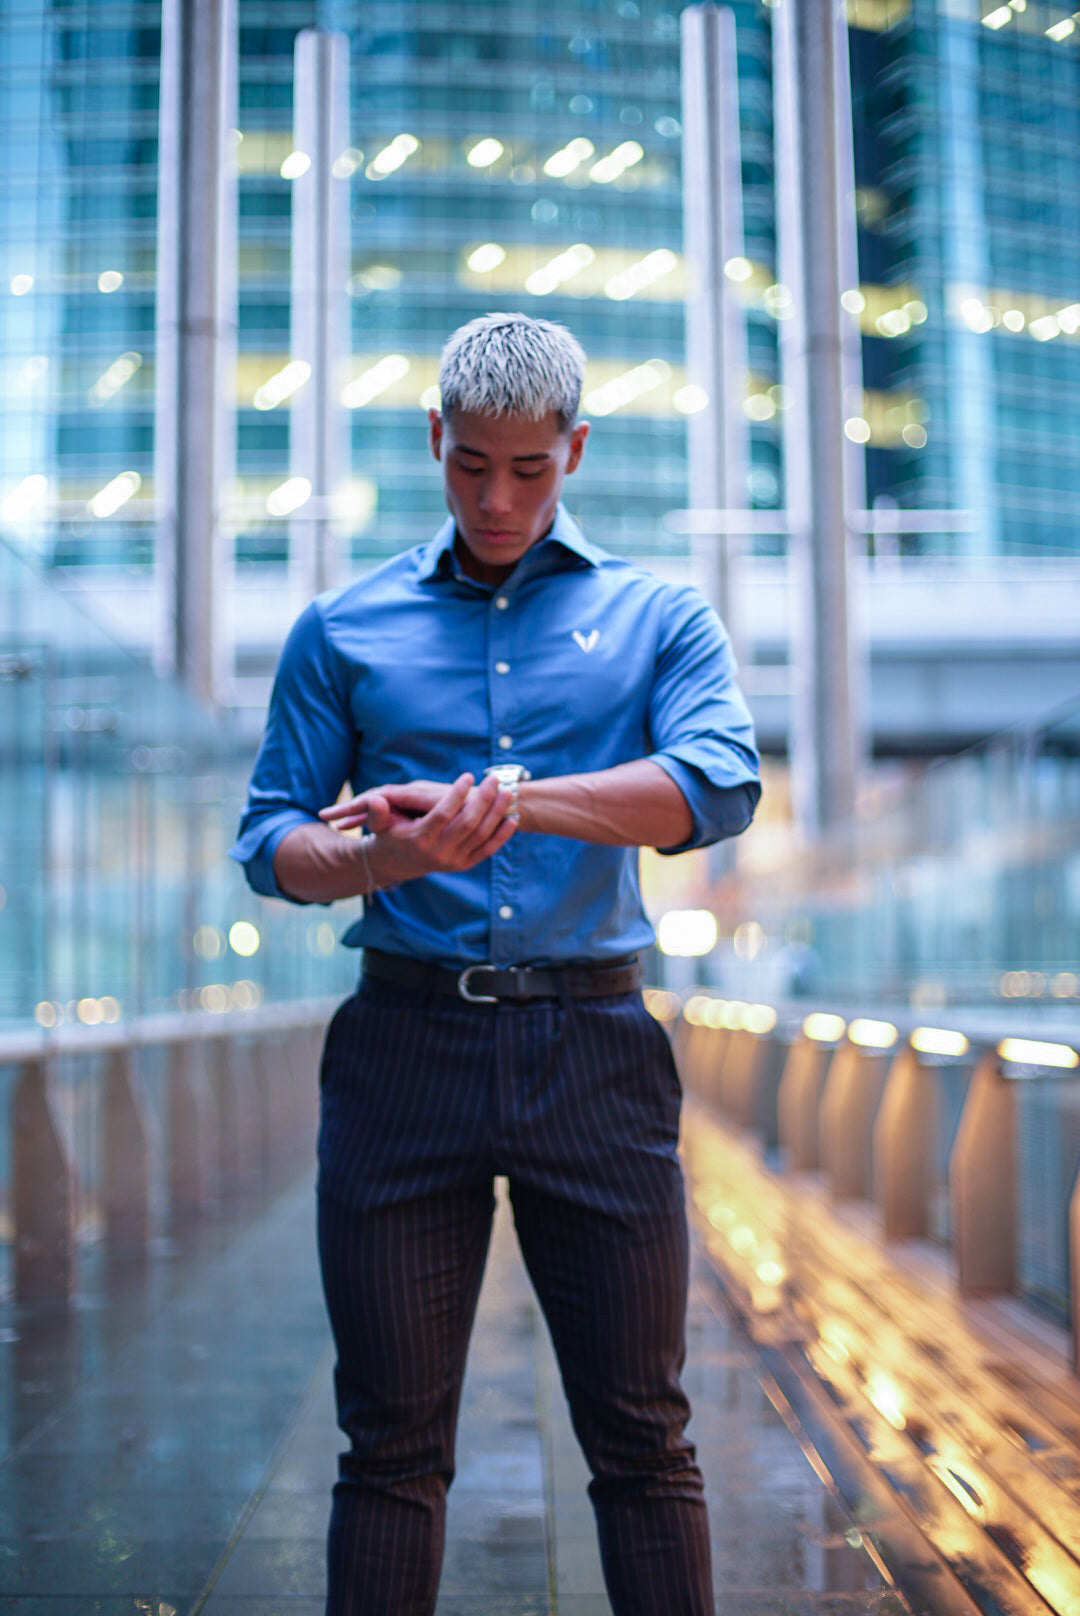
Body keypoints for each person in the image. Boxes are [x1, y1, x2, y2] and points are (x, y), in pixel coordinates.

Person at [230, 312, 761, 1616]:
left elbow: (716, 786)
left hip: (596, 1051)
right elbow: (271, 843)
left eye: (531, 468)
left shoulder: (659, 616)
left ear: (576, 448)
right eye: (472, 466)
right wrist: (384, 863)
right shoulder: (341, 630)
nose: (500, 497)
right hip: (404, 1053)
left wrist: (509, 804)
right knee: (392, 1452)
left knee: (644, 1442)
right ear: (435, 443)